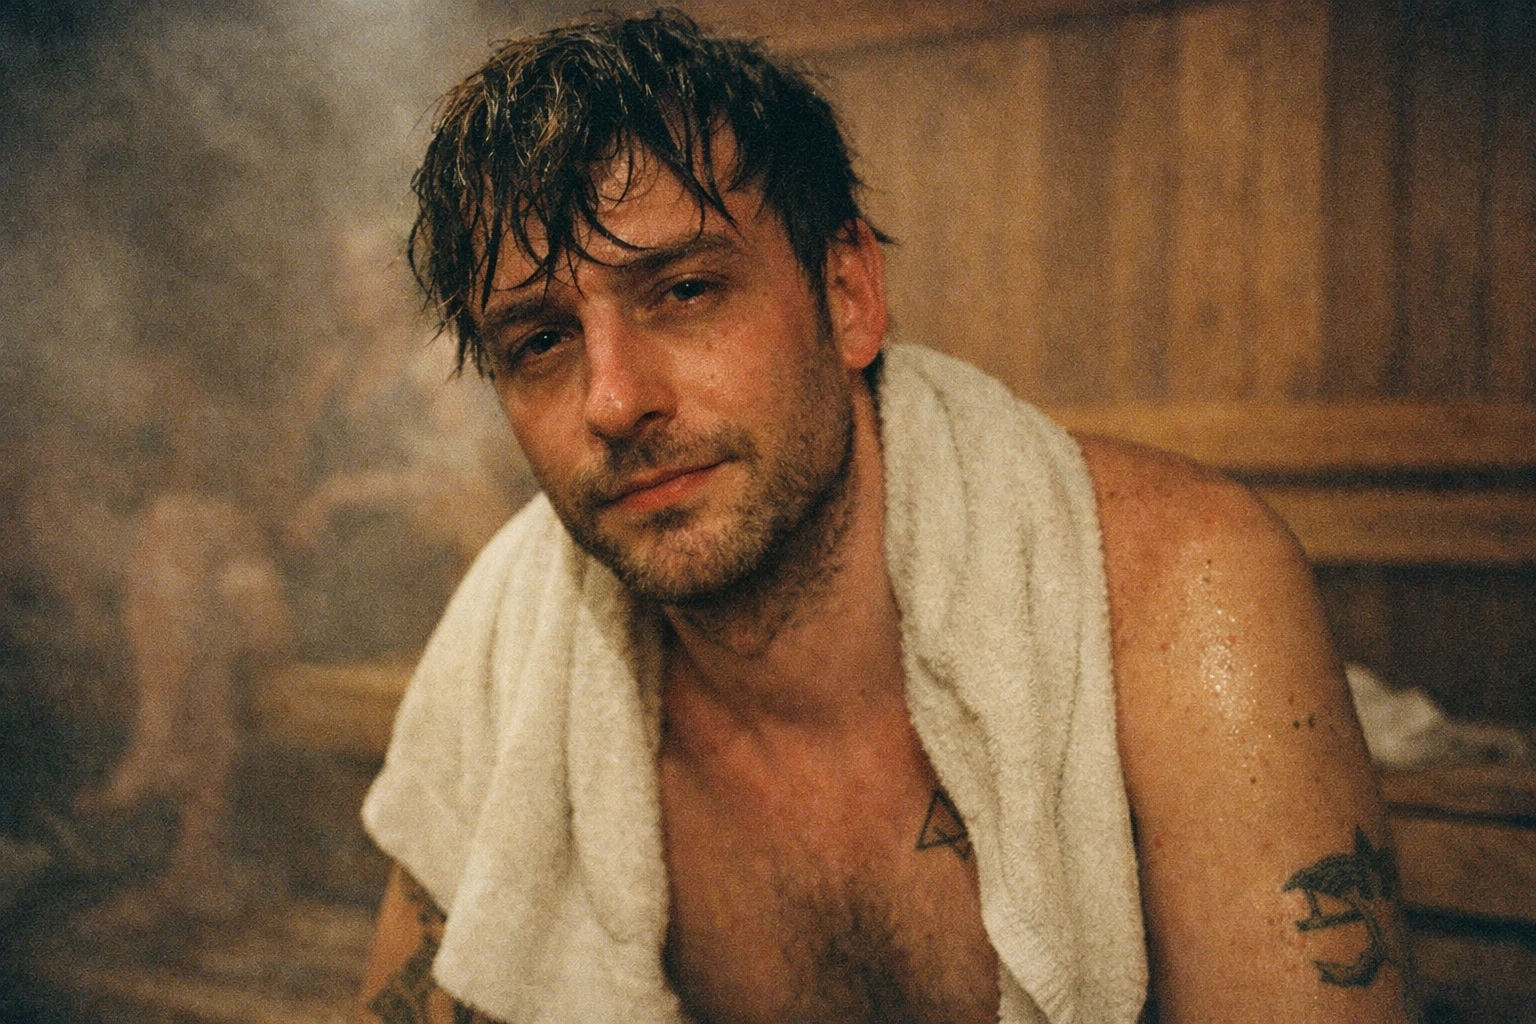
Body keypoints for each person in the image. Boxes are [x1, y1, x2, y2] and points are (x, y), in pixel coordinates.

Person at [356, 11, 1417, 1024]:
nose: (613, 399)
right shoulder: (513, 638)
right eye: (540, 341)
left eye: (683, 291)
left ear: (850, 291)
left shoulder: (1182, 593)